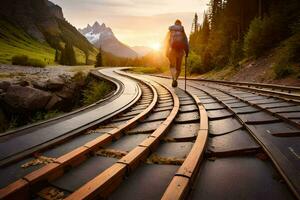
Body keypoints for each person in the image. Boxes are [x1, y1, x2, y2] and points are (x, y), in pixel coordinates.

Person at [164, 19, 189, 87]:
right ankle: (175, 79)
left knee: (172, 66)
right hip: (180, 51)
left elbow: (166, 41)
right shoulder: (182, 30)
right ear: (180, 24)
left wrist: (166, 51)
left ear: (175, 23)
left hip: (172, 50)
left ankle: (174, 79)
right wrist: (187, 52)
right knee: (178, 68)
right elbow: (186, 42)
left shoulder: (170, 31)